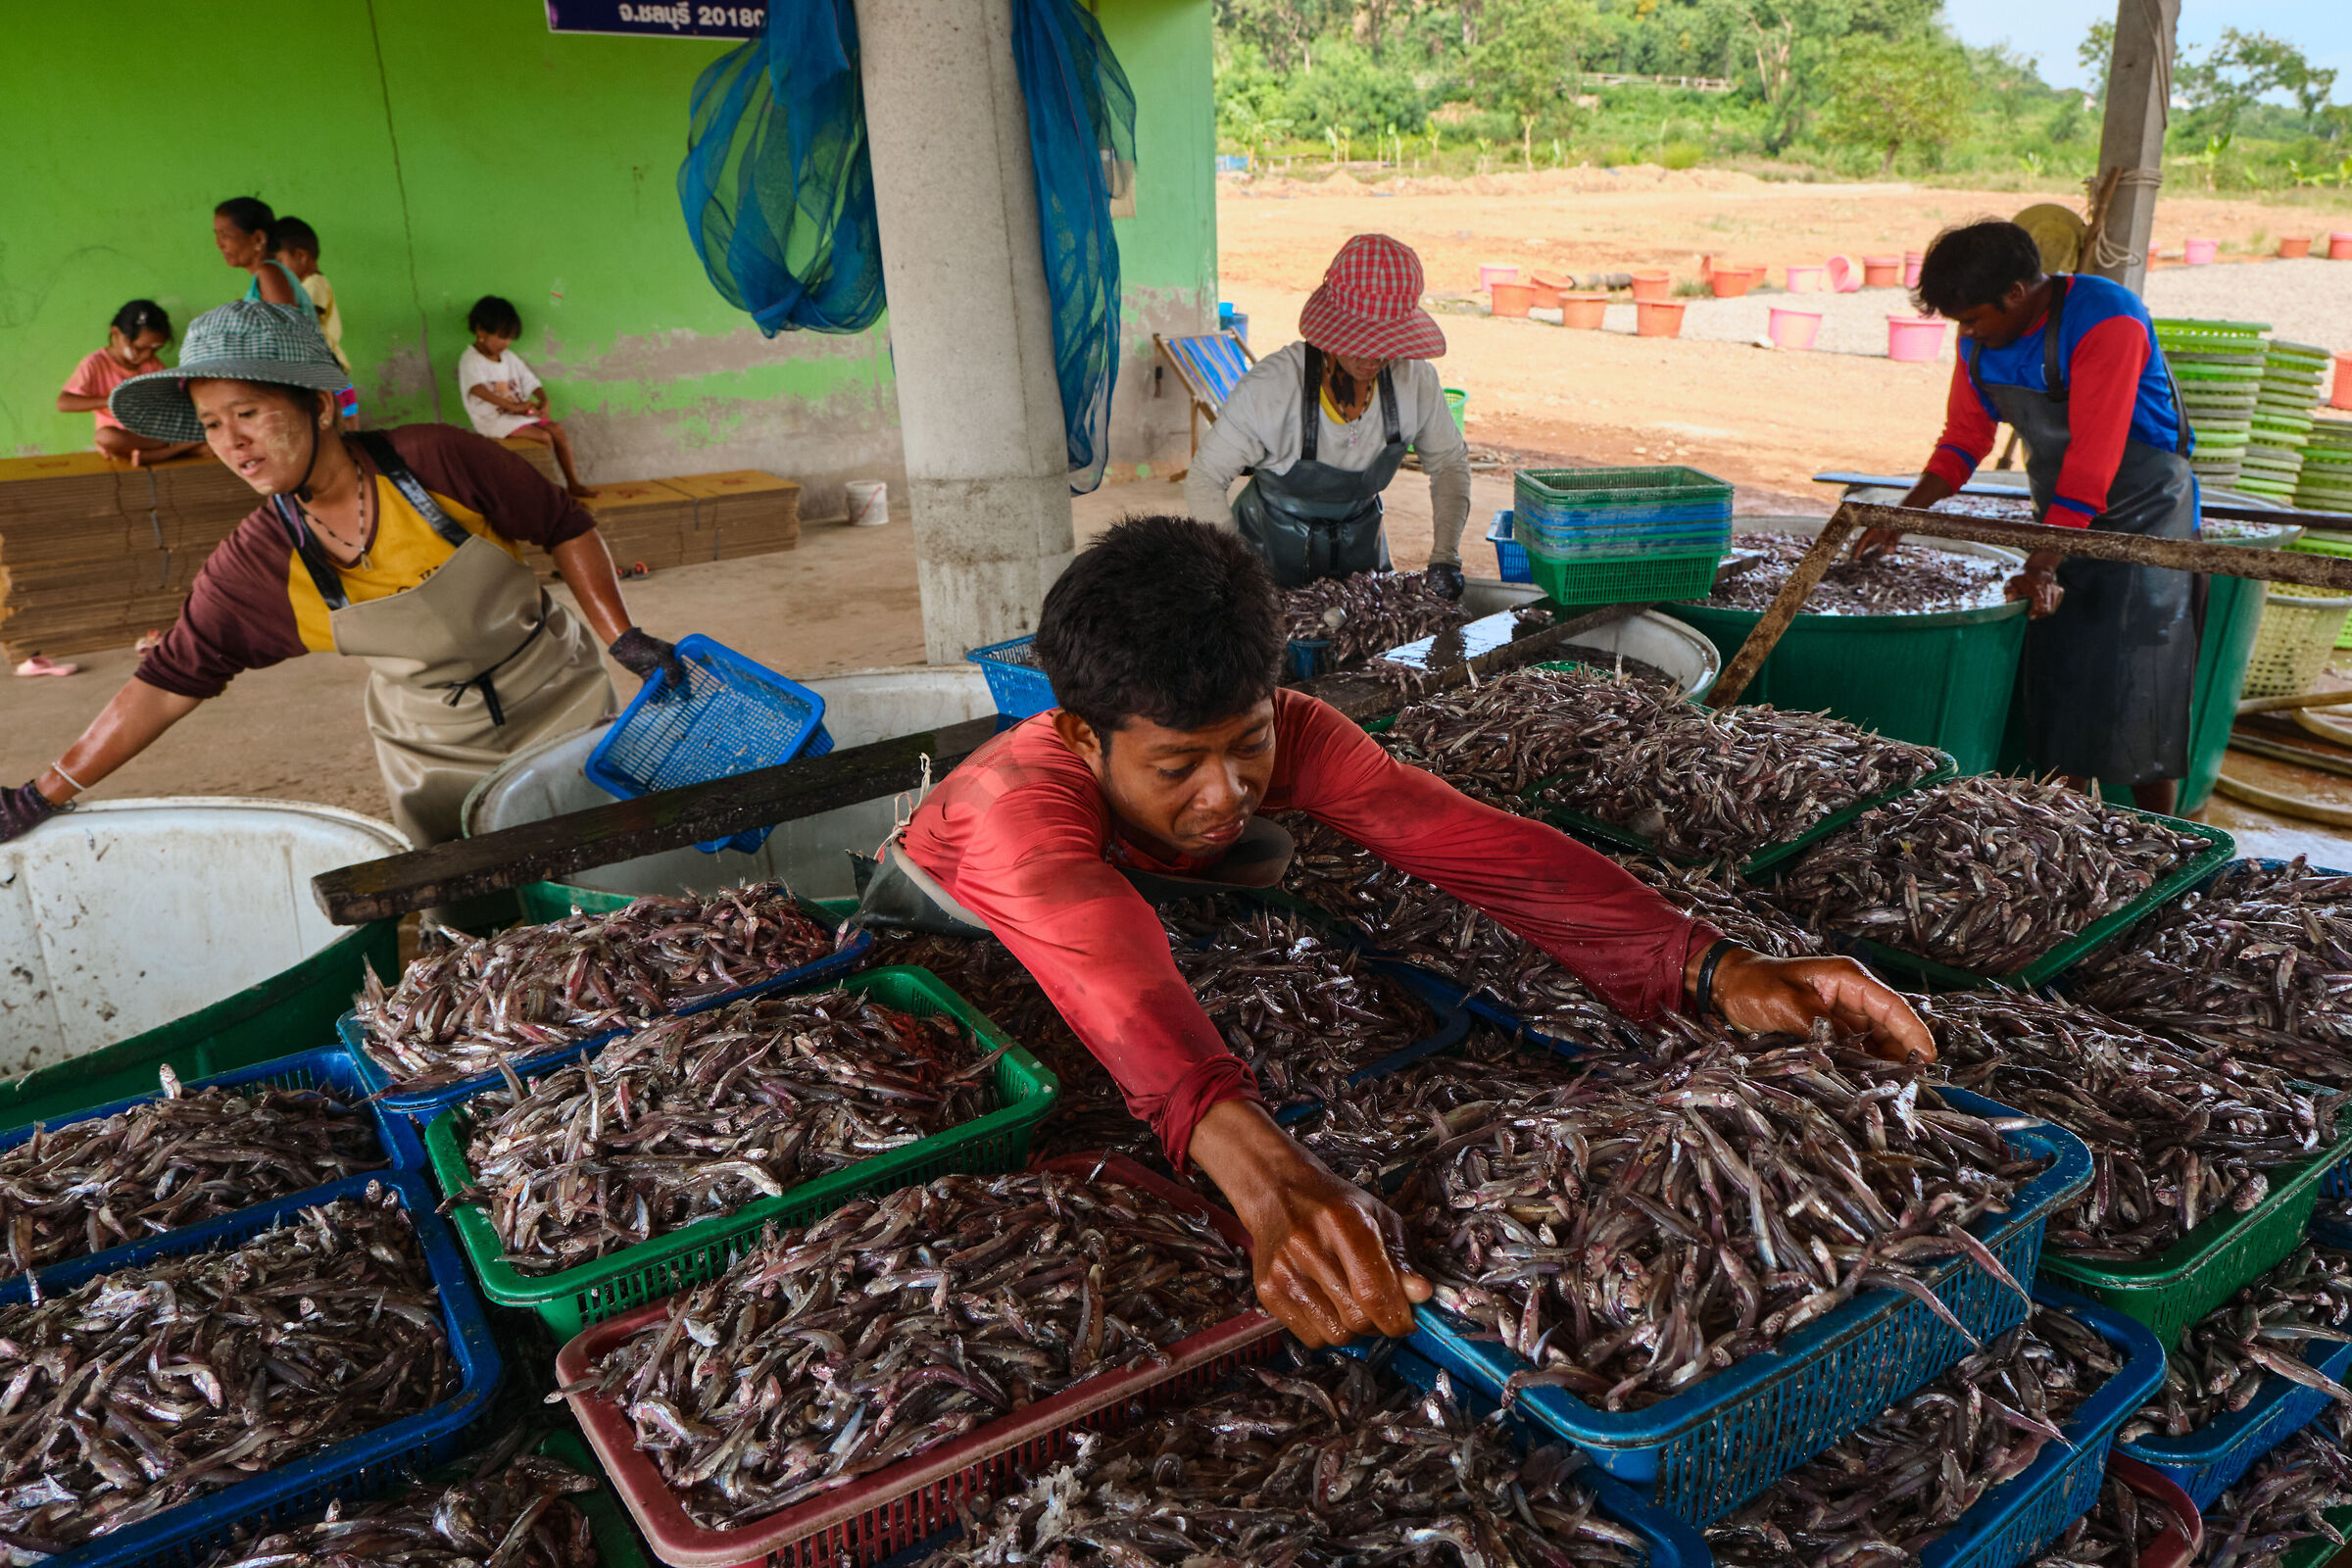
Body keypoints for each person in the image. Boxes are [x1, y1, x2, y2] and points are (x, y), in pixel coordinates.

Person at [854, 515, 1936, 1347]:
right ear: (1084, 736)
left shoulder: (1298, 737)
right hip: (959, 942)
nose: (1229, 792)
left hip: (1136, 904)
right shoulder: (1018, 809)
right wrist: (1273, 1180)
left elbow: (1475, 844)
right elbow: (1106, 967)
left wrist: (1708, 964)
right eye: (1179, 767)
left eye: (1248, 745)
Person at [0, 301, 690, 852]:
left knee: (609, 853)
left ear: (320, 407)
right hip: (428, 742)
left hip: (556, 693)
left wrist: (620, 635)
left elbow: (564, 525)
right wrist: (41, 793)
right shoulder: (257, 564)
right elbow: (168, 681)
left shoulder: (439, 460)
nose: (232, 444)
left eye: (249, 414)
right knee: (476, 911)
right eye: (211, 424)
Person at [1855, 220, 2198, 812]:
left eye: (1973, 319)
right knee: (2064, 676)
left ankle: (2161, 837)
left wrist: (2042, 561)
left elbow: (2094, 458)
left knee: (2144, 684)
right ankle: (2067, 825)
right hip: (2059, 513)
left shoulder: (2105, 318)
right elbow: (1964, 439)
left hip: (2145, 513)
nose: (1968, 334)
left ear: (2016, 294)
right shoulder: (1980, 340)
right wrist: (1903, 514)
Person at [1183, 234, 1472, 598]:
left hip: (1363, 557)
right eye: (1361, 338)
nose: (1374, 354)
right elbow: (1205, 478)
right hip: (1263, 554)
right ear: (1333, 327)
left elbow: (1449, 464)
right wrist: (1239, 574)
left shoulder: (1416, 382)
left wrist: (1446, 557)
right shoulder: (1273, 387)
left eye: (1387, 341)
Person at [459, 295, 590, 497]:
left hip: (519, 415)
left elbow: (532, 382)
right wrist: (513, 407)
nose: (506, 343)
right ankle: (550, 492)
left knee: (557, 431)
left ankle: (573, 483)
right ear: (481, 330)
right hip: (493, 420)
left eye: (510, 338)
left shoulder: (509, 358)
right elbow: (478, 389)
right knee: (543, 438)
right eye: (502, 336)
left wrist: (544, 400)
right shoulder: (471, 359)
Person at [57, 300, 201, 465]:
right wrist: (114, 401)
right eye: (139, 349)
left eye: (154, 349)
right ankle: (174, 449)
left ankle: (162, 452)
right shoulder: (95, 363)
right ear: (116, 334)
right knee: (105, 437)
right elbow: (63, 403)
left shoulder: (153, 364)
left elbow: (170, 398)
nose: (147, 355)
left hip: (153, 430)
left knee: (207, 421)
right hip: (123, 436)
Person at [270, 217, 351, 374]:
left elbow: (303, 317)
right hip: (320, 363)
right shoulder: (303, 286)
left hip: (326, 362)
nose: (277, 269)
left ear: (301, 256)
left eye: (280, 261)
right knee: (340, 399)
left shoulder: (315, 283)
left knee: (338, 398)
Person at [214, 197, 313, 316]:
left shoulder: (269, 272)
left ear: (258, 239)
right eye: (217, 235)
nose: (218, 244)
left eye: (225, 236)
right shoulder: (269, 273)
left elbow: (286, 330)